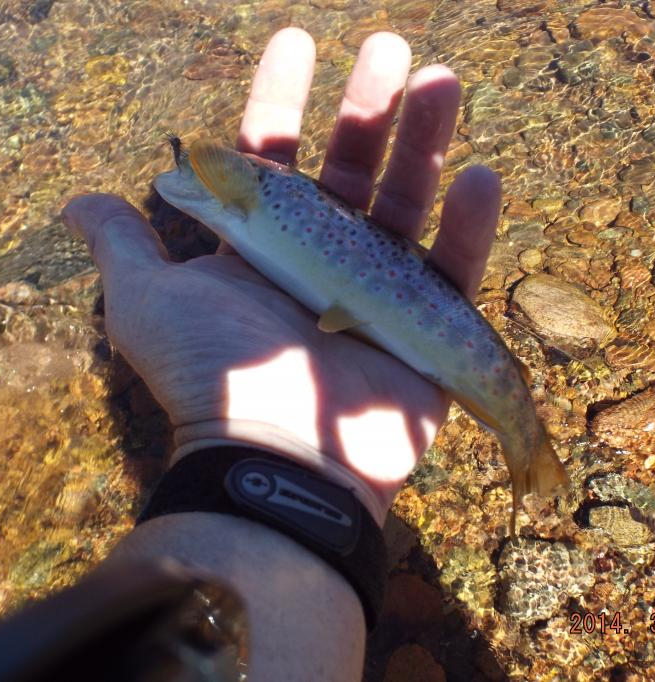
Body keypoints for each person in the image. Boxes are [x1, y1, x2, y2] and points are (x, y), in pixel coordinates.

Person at [60, 27, 500, 681]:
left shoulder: (238, 189)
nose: (186, 166)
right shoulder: (237, 194)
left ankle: (518, 433)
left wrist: (237, 453)